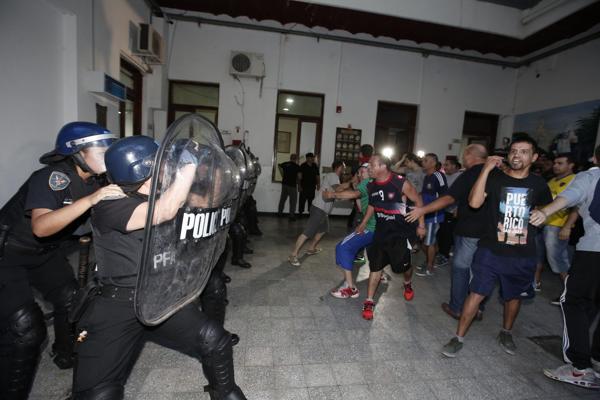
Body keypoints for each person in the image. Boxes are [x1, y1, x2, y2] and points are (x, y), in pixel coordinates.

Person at [72, 135, 246, 399]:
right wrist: (187, 164)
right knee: (99, 393)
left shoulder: (163, 194)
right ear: (141, 170)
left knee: (215, 341)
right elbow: (163, 212)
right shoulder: (110, 204)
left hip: (156, 297)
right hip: (118, 304)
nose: (167, 168)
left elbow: (206, 202)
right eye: (160, 164)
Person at [0, 122, 121, 399]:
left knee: (73, 302)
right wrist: (92, 201)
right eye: (100, 146)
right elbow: (41, 227)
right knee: (25, 330)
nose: (107, 151)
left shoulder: (97, 179)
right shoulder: (52, 176)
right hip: (7, 255)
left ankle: (65, 353)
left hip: (44, 253)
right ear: (76, 152)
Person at [441, 136, 552, 358]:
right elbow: (474, 203)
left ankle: (506, 332)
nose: (517, 155)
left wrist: (543, 216)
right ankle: (458, 337)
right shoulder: (495, 178)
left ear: (534, 157)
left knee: (514, 297)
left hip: (522, 253)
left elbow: (544, 209)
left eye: (523, 151)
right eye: (513, 151)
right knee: (476, 293)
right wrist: (486, 170)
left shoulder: (538, 184)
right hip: (490, 248)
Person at [530, 145, 600, 390]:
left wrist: (546, 211)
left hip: (595, 251)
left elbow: (570, 196)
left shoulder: (591, 175)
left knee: (574, 301)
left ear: (595, 158)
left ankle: (580, 368)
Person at [407, 144, 488, 320]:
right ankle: (478, 307)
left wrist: (424, 210)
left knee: (461, 267)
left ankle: (457, 306)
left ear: (469, 155)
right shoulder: (495, 172)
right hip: (486, 230)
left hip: (465, 226)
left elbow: (448, 196)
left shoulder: (463, 174)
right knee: (480, 269)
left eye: (427, 160)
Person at [356, 154, 426, 320]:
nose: (368, 169)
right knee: (376, 266)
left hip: (401, 233)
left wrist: (421, 225)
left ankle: (407, 284)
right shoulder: (371, 185)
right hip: (382, 233)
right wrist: (364, 222)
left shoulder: (400, 182)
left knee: (403, 267)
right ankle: (369, 301)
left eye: (372, 165)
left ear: (383, 167)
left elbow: (418, 201)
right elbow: (373, 204)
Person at [327, 163, 374, 299]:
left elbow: (352, 194)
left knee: (342, 247)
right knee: (373, 253)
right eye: (360, 170)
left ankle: (350, 287)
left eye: (364, 169)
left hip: (370, 227)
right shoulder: (371, 183)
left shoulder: (367, 182)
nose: (361, 172)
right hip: (377, 227)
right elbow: (360, 206)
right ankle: (378, 274)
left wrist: (333, 194)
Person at [288, 161, 348, 267]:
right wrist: (352, 183)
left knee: (323, 229)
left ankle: (311, 249)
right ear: (339, 167)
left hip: (323, 211)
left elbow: (336, 193)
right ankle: (293, 255)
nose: (345, 170)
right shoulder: (333, 175)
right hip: (318, 209)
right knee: (308, 232)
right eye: (344, 168)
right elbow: (338, 189)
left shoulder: (335, 178)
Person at [533, 154, 576, 302]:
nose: (556, 166)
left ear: (571, 165)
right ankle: (535, 283)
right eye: (555, 163)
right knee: (536, 256)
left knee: (558, 260)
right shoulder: (552, 180)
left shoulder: (575, 181)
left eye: (560, 163)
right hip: (541, 223)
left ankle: (570, 293)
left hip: (557, 226)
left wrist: (567, 226)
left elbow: (577, 207)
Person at [416, 153, 448, 277]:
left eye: (426, 160)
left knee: (428, 243)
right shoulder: (426, 177)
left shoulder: (438, 175)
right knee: (427, 242)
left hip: (434, 215)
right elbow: (425, 194)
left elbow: (445, 196)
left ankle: (429, 267)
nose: (423, 162)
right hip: (425, 214)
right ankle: (431, 260)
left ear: (433, 163)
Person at [436, 157, 462, 263]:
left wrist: (457, 208)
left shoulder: (460, 177)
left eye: (446, 165)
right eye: (444, 165)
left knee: (447, 234)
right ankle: (440, 252)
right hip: (442, 209)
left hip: (452, 210)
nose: (444, 167)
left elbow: (462, 193)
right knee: (441, 232)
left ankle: (444, 255)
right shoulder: (444, 176)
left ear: (454, 166)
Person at [277, 154, 300, 220]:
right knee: (293, 201)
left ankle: (279, 213)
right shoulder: (297, 166)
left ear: (290, 158)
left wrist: (282, 175)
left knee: (282, 199)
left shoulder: (285, 164)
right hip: (292, 185)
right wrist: (299, 185)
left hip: (284, 184)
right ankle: (291, 216)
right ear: (296, 159)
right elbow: (299, 177)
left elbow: (279, 165)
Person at [297, 153, 320, 217]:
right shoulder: (302, 165)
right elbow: (299, 176)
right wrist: (299, 185)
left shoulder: (315, 166)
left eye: (313, 157)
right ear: (307, 158)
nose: (312, 159)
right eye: (311, 157)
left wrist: (318, 184)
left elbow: (317, 176)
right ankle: (300, 213)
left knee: (311, 201)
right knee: (302, 200)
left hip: (312, 187)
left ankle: (310, 214)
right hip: (303, 186)